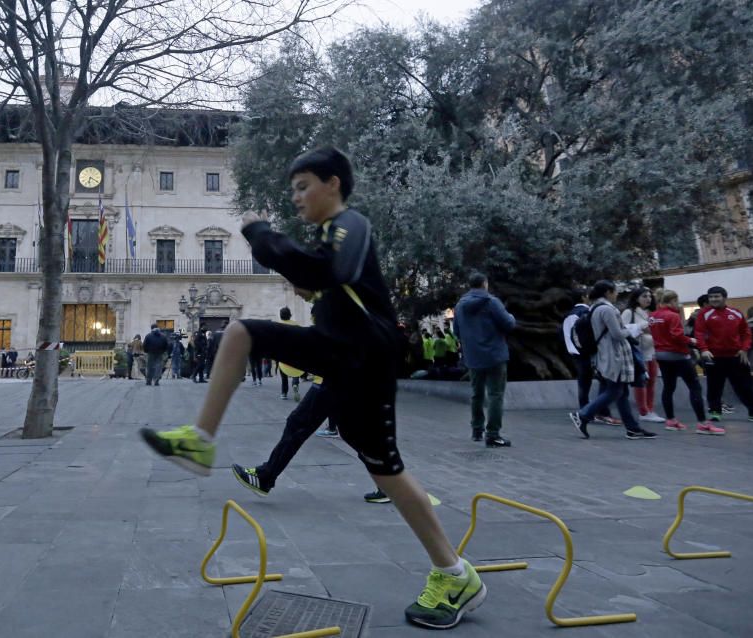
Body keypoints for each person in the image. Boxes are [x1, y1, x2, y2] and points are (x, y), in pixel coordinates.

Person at [140, 146, 486, 630]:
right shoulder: (330, 236)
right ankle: (199, 440)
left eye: (303, 187)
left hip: (364, 355)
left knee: (387, 470)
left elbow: (332, 272)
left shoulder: (351, 224)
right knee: (242, 334)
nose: (297, 197)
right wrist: (307, 282)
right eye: (293, 189)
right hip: (340, 350)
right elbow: (326, 280)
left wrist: (262, 236)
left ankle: (455, 574)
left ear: (333, 184)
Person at [568, 280, 658, 440]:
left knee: (621, 392)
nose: (616, 294)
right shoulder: (606, 309)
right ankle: (583, 415)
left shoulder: (596, 307)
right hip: (614, 355)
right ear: (608, 292)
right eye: (615, 291)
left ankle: (633, 428)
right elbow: (617, 334)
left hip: (608, 354)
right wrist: (632, 330)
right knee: (615, 390)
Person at [453, 272, 515, 447]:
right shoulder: (492, 302)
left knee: (476, 394)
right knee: (495, 394)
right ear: (485, 284)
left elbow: (456, 331)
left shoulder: (460, 306)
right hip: (495, 355)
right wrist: (511, 317)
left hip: (473, 358)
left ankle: (477, 430)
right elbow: (509, 324)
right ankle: (493, 434)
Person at [694, 286, 753, 424]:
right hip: (714, 357)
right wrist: (704, 349)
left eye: (716, 296)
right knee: (714, 387)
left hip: (736, 356)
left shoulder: (736, 313)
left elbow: (746, 333)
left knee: (745, 386)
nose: (713, 299)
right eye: (711, 297)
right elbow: (699, 333)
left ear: (724, 297)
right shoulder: (704, 314)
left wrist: (744, 349)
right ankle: (715, 413)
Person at [650, 290, 715, 432]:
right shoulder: (672, 316)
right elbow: (676, 335)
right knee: (694, 386)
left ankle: (671, 420)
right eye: (676, 301)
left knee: (668, 387)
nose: (677, 304)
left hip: (660, 354)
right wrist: (691, 340)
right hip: (677, 354)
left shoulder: (653, 316)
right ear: (671, 301)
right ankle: (703, 423)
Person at [562, 287, 621, 426]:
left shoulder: (571, 314)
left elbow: (567, 336)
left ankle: (588, 412)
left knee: (586, 384)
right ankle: (590, 413)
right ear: (584, 297)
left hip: (578, 353)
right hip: (587, 354)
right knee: (598, 383)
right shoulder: (584, 312)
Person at [621, 288, 664, 423]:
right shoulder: (629, 312)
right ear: (636, 298)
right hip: (638, 352)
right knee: (641, 382)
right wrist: (641, 327)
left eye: (650, 296)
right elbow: (622, 329)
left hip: (651, 351)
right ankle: (643, 411)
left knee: (651, 381)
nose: (648, 299)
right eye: (644, 296)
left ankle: (649, 409)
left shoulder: (650, 313)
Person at [276, 307, 302, 400]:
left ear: (281, 315)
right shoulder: (296, 325)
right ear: (290, 314)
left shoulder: (277, 325)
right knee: (295, 371)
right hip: (295, 352)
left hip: (282, 353)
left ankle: (284, 393)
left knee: (283, 373)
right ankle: (295, 384)